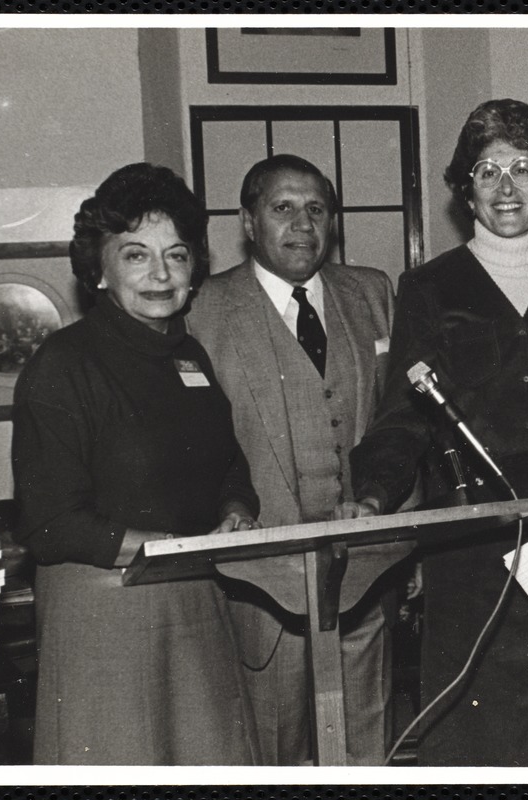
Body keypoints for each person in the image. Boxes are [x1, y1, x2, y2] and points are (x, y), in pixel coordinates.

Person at [349, 99, 528, 766]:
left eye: (522, 169)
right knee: (478, 722)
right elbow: (402, 413)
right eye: (487, 169)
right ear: (465, 187)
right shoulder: (430, 287)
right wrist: (375, 493)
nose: (505, 186)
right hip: (467, 524)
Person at [11, 163, 260, 765]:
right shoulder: (62, 365)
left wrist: (234, 509)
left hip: (194, 601)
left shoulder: (190, 356)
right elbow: (49, 523)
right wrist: (170, 545)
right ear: (98, 268)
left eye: (176, 255)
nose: (159, 274)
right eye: (135, 255)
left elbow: (228, 462)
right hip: (104, 616)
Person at [187, 154, 396, 765]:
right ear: (249, 221)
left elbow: (398, 423)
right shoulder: (204, 307)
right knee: (270, 745)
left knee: (366, 742)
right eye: (283, 208)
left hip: (363, 565)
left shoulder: (373, 292)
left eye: (316, 209)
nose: (302, 224)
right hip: (261, 578)